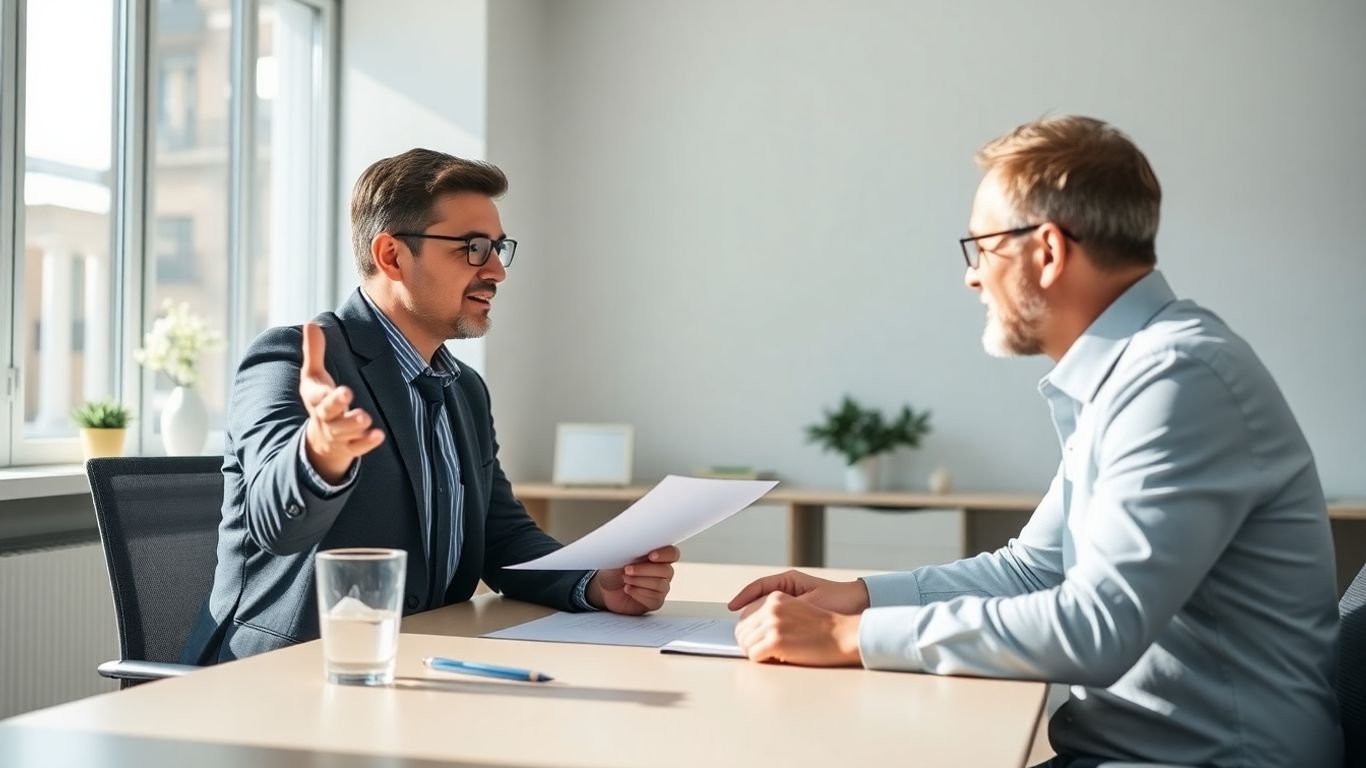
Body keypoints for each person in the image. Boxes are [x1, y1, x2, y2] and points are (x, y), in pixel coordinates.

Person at [729, 116, 1342, 767]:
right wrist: (860, 596)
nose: (972, 277)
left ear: (1047, 251)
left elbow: (1095, 626)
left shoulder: (1179, 377)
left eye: (982, 247)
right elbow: (1034, 569)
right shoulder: (1128, 374)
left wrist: (851, 636)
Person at [184, 149, 677, 663]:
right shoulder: (291, 359)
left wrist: (595, 582)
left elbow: (501, 537)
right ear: (392, 256)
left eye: (498, 247)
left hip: (419, 667)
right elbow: (275, 525)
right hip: (280, 678)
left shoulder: (465, 389)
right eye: (472, 247)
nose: (496, 271)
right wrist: (320, 454)